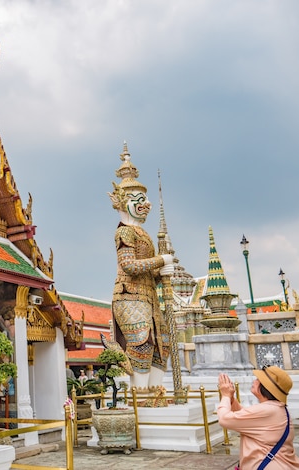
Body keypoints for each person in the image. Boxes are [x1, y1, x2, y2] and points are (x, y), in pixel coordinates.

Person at [108, 143, 173, 392]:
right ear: (125, 201)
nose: (146, 203)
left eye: (145, 199)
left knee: (162, 343)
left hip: (149, 297)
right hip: (129, 296)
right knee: (142, 342)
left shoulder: (143, 233)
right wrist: (160, 262)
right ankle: (140, 394)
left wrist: (160, 274)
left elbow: (148, 271)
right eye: (140, 199)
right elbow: (129, 265)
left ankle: (156, 392)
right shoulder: (124, 231)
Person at [218, 367, 299, 469]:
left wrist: (226, 395)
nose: (254, 381)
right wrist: (231, 398)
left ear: (266, 387)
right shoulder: (274, 408)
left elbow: (224, 419)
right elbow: (244, 417)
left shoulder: (267, 410)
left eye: (258, 379)